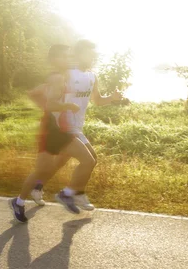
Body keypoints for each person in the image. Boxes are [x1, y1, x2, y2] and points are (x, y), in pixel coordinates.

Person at [28, 40, 124, 211]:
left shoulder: (92, 76)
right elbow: (40, 92)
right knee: (90, 159)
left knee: (59, 162)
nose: (93, 58)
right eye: (89, 54)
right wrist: (51, 112)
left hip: (77, 126)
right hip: (64, 125)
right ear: (79, 54)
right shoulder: (67, 74)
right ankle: (72, 193)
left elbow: (98, 100)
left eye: (94, 55)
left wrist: (113, 98)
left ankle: (38, 188)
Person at [10, 43, 99, 222]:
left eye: (68, 56)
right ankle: (19, 202)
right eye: (63, 56)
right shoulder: (57, 78)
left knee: (82, 161)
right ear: (54, 60)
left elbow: (34, 94)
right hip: (52, 130)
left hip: (61, 128)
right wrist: (65, 106)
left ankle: (59, 193)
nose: (68, 59)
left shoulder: (64, 76)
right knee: (43, 170)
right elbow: (51, 103)